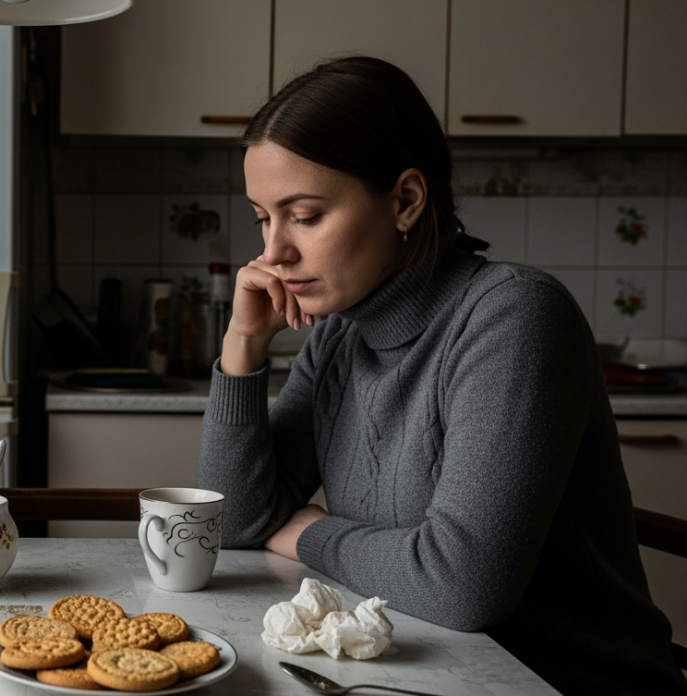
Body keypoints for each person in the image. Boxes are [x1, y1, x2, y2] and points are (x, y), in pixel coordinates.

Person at [197, 56, 687, 696]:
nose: (273, 252)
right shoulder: (341, 333)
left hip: (564, 683)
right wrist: (242, 345)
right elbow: (232, 523)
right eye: (264, 217)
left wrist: (306, 531)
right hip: (418, 678)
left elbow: (461, 586)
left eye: (306, 215)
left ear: (405, 199)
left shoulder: (514, 317)